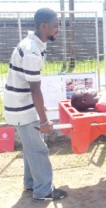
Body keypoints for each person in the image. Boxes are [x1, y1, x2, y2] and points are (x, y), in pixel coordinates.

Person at [3, 8, 67, 201]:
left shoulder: (35, 44)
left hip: (21, 105)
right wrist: (44, 120)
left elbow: (31, 88)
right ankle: (43, 191)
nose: (58, 30)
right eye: (55, 26)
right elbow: (35, 89)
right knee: (39, 149)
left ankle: (31, 185)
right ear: (43, 26)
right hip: (22, 108)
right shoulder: (32, 50)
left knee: (31, 148)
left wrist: (39, 109)